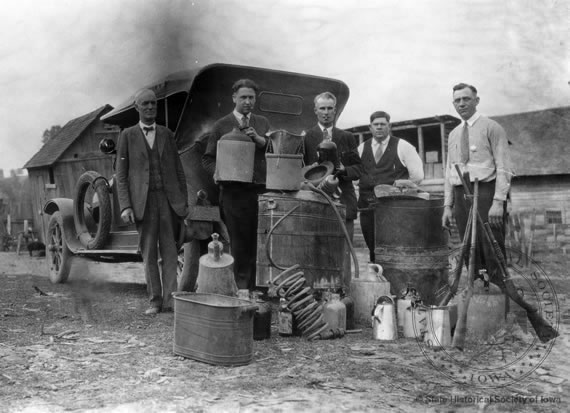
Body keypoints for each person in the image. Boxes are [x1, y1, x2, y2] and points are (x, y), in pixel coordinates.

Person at [116, 89, 188, 314]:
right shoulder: (127, 135)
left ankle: (170, 300)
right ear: (137, 108)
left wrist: (183, 203)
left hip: (168, 202)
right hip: (143, 203)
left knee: (170, 252)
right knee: (148, 253)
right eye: (145, 104)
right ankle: (155, 301)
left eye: (153, 104)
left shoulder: (167, 134)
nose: (150, 108)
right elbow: (121, 173)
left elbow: (178, 171)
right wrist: (126, 205)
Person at [202, 79, 271, 290]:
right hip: (234, 194)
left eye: (251, 97)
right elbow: (207, 159)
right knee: (239, 244)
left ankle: (257, 290)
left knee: (258, 242)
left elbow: (274, 151)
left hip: (259, 192)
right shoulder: (221, 125)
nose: (248, 101)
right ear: (234, 98)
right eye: (243, 97)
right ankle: (241, 290)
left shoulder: (263, 123)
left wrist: (261, 141)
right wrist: (217, 172)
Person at [442, 83, 512, 277]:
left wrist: (498, 201)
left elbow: (504, 166)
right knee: (468, 244)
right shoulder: (454, 134)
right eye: (457, 100)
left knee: (491, 242)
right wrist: (447, 206)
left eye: (466, 99)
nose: (462, 104)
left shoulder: (492, 127)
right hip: (460, 193)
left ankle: (499, 291)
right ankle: (478, 289)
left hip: (485, 191)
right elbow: (449, 171)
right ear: (453, 104)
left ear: (477, 101)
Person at [303, 92, 362, 285]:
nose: (326, 113)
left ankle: (344, 295)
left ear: (335, 111)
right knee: (315, 252)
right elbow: (299, 171)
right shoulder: (306, 137)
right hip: (316, 202)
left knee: (344, 251)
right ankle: (316, 295)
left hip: (343, 201)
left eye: (330, 108)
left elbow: (359, 169)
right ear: (315, 111)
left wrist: (344, 170)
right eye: (322, 108)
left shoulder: (347, 137)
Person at [357, 111, 424, 263]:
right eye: (376, 124)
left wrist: (402, 187)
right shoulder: (361, 148)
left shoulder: (403, 146)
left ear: (389, 126)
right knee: (373, 247)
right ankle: (379, 280)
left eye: (383, 124)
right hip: (368, 208)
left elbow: (418, 176)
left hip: (394, 209)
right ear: (370, 127)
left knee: (394, 246)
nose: (379, 127)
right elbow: (355, 176)